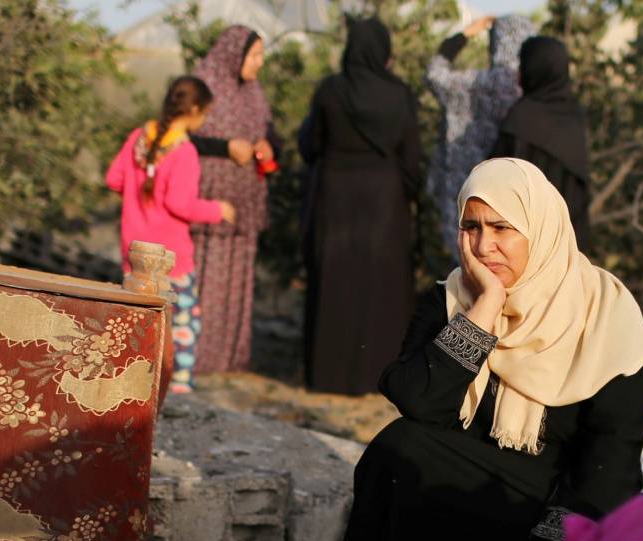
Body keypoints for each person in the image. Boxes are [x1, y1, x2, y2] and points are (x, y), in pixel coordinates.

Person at [317, 158, 643, 541]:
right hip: (455, 480)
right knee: (397, 452)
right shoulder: (452, 299)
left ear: (540, 230)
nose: (484, 245)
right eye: (471, 227)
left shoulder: (606, 315)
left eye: (501, 229)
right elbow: (419, 402)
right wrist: (484, 310)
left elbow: (612, 456)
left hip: (543, 501)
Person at [299, 17, 424, 396]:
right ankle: (380, 373)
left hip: (335, 196)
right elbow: (412, 156)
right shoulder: (400, 95)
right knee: (380, 286)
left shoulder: (330, 91)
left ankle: (327, 375)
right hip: (384, 200)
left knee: (335, 281)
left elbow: (311, 145)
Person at [105, 77, 236, 393]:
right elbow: (179, 203)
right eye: (205, 113)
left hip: (133, 252)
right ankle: (177, 389)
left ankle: (131, 384)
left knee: (137, 320)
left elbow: (113, 179)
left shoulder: (139, 137)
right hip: (171, 257)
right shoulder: (185, 151)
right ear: (193, 109)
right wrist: (218, 210)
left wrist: (138, 195)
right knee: (181, 324)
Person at [185, 26, 281, 376]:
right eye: (254, 55)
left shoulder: (254, 93)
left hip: (243, 203)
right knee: (206, 273)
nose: (259, 63)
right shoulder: (203, 83)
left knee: (236, 279)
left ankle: (227, 358)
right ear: (233, 54)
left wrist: (268, 146)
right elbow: (182, 134)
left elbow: (270, 133)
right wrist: (225, 147)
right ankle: (194, 355)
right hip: (209, 200)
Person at [425, 13, 535, 257]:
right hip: (512, 197)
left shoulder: (477, 83)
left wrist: (464, 35)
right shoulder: (534, 86)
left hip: (468, 187)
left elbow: (435, 73)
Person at [489, 36, 592, 249]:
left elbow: (495, 186)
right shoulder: (574, 117)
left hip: (527, 249)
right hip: (568, 248)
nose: (518, 75)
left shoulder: (521, 118)